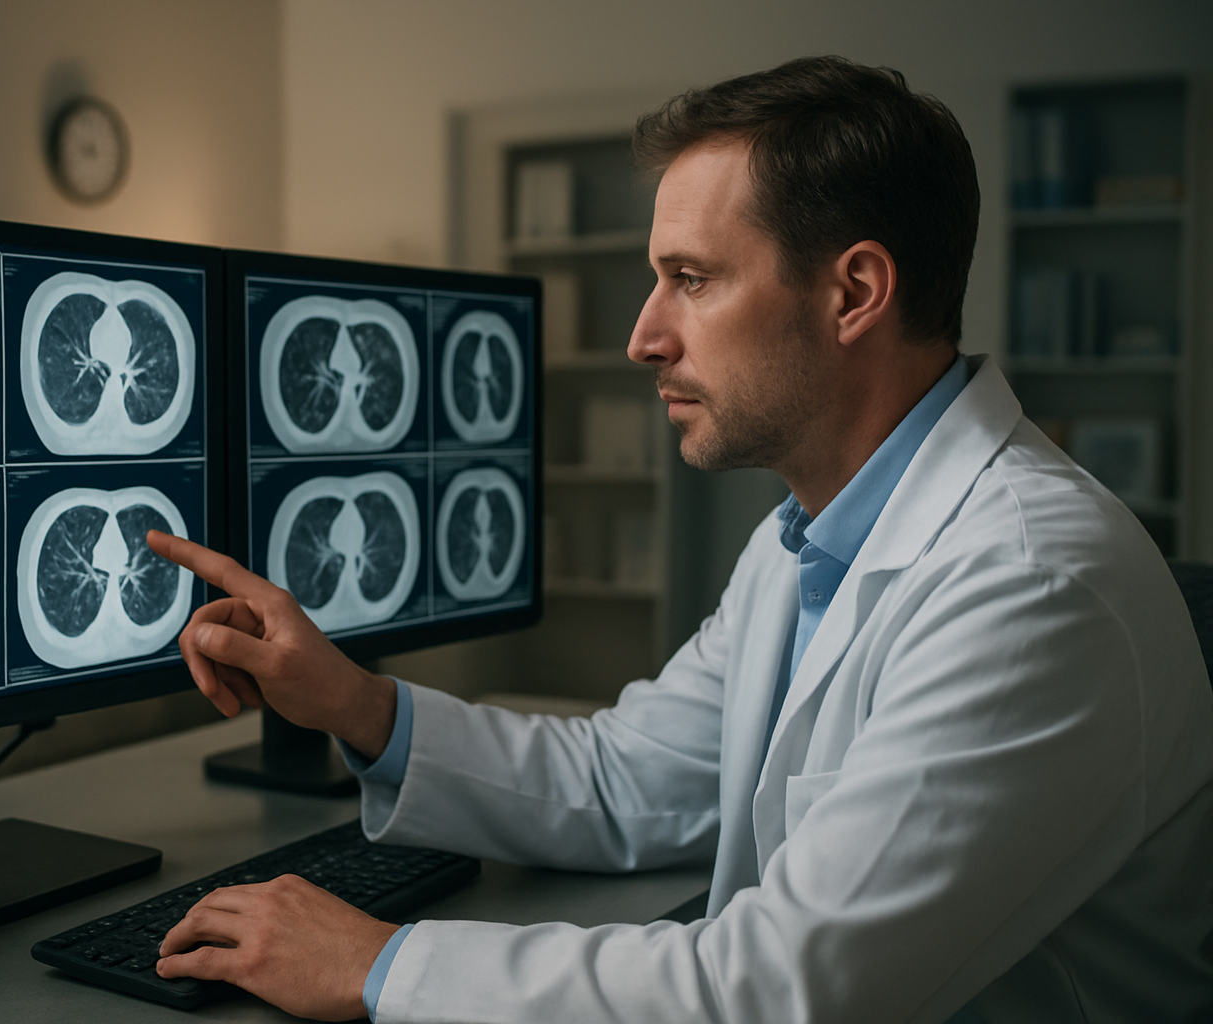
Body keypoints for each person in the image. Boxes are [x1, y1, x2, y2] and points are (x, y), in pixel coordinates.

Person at [145, 55, 1213, 1023]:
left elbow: (776, 991)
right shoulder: (810, 537)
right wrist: (351, 700)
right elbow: (625, 777)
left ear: (854, 293)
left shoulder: (1028, 585)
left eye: (692, 279)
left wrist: (382, 964)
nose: (643, 336)